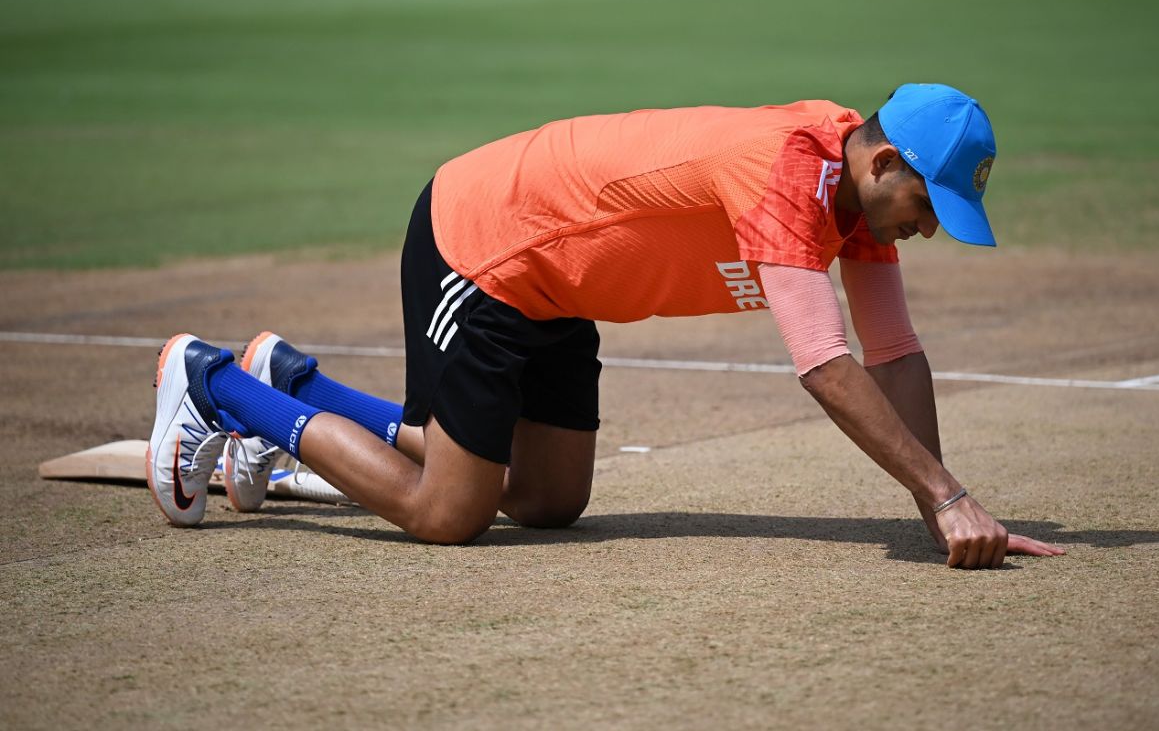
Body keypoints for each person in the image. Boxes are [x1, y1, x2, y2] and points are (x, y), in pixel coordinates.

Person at [147, 83, 1065, 569]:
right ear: (888, 159)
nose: (928, 227)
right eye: (926, 203)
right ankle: (215, 385)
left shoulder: (855, 199)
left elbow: (894, 353)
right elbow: (827, 364)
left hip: (558, 284)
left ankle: (295, 384)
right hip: (487, 246)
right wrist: (948, 499)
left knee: (549, 502)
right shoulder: (789, 172)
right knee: (450, 513)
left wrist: (934, 505)